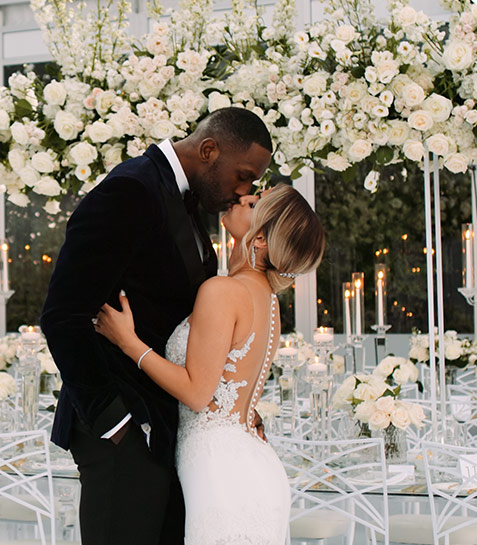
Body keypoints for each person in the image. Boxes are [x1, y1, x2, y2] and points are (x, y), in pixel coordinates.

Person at [40, 107, 273, 545]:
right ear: (209, 150)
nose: (245, 190)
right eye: (243, 176)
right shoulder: (130, 190)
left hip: (168, 427)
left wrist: (229, 403)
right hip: (123, 432)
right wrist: (116, 423)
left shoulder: (189, 199)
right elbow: (62, 315)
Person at [94, 185, 326, 543]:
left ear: (261, 238)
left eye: (255, 202)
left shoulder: (223, 291)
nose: (242, 198)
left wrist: (129, 343)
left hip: (221, 471)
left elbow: (198, 394)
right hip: (253, 463)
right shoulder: (267, 299)